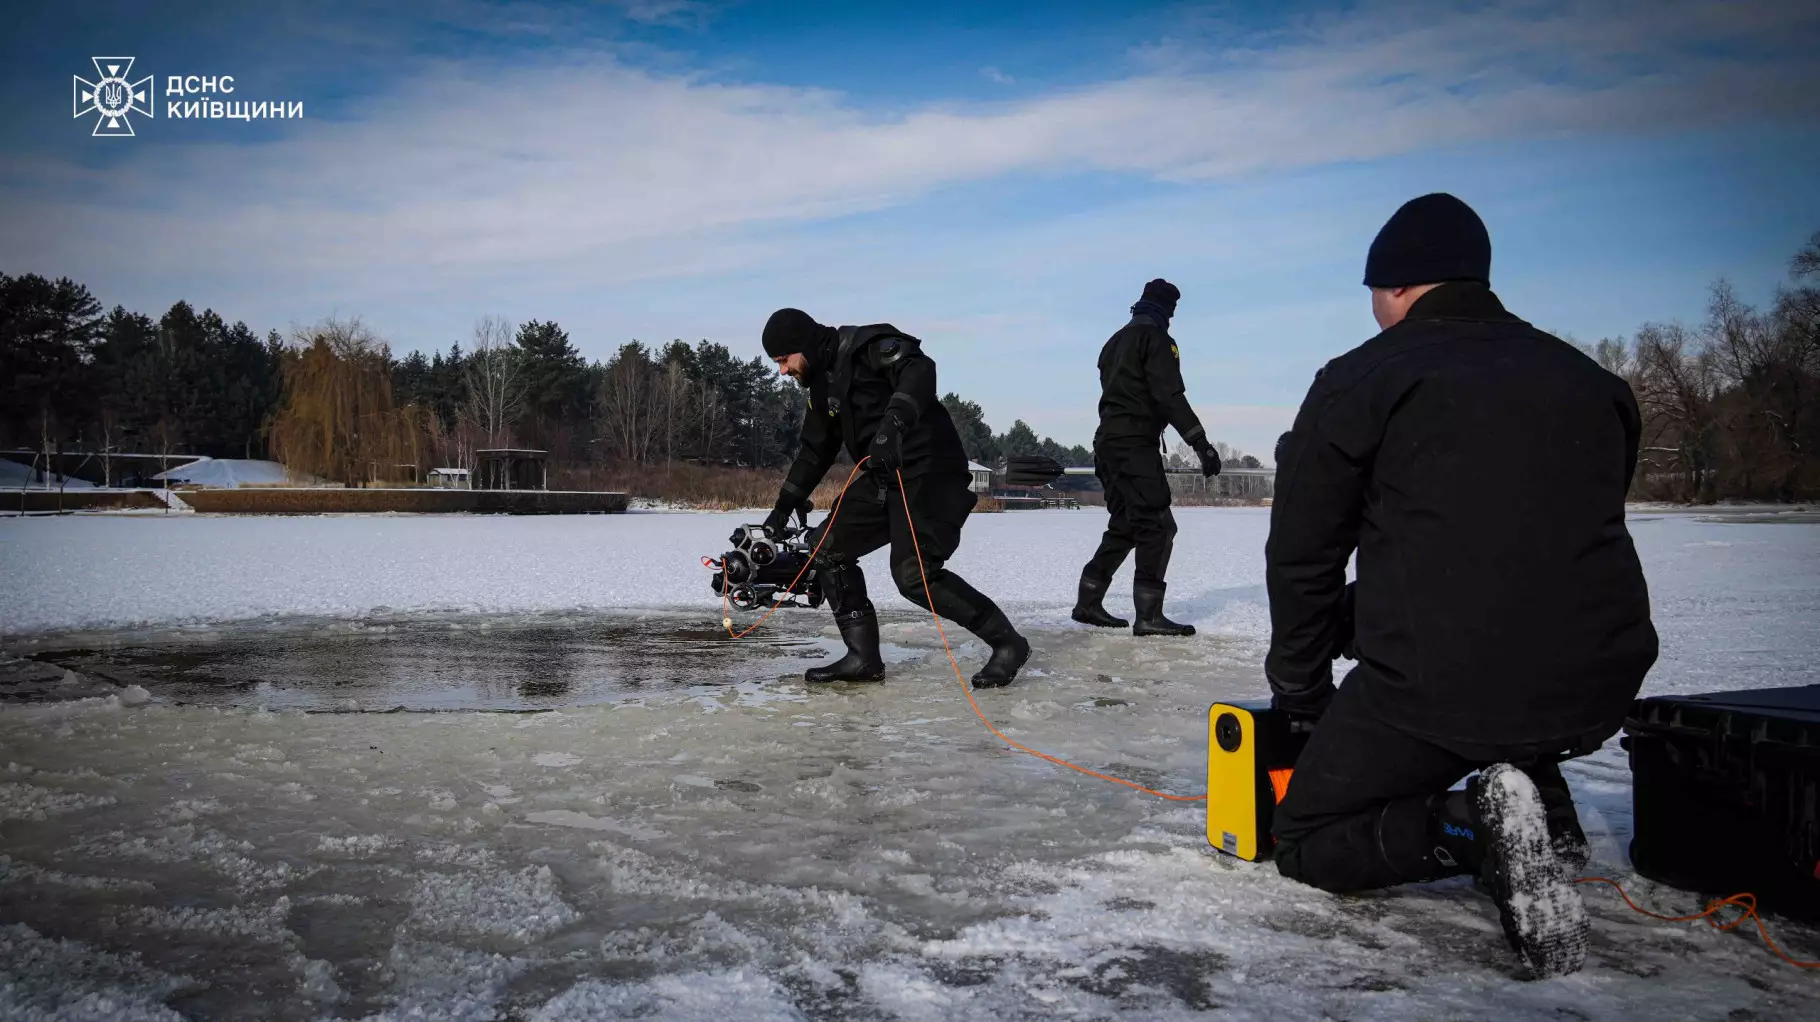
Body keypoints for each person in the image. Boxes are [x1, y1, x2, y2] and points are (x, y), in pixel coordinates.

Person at [1263, 193, 1658, 978]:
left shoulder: (1363, 378)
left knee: (1303, 839)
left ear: (1399, 286)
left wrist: (1303, 697)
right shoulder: (1592, 380)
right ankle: (1539, 787)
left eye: (1373, 292)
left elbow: (1303, 557)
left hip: (1444, 685)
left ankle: (1473, 824)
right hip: (1595, 681)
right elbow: (1542, 545)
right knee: (1483, 616)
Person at [759, 308, 1032, 689]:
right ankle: (863, 658)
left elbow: (921, 370)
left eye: (783, 360)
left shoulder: (866, 346)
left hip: (930, 470)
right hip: (883, 477)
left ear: (802, 345)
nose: (783, 371)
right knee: (826, 548)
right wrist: (782, 507)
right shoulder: (822, 387)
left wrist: (894, 424)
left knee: (914, 574)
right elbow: (813, 451)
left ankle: (1008, 644)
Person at [1071, 279, 1222, 636]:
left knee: (1126, 523)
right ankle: (1149, 616)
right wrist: (1201, 442)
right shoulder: (1157, 340)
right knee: (1157, 526)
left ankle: (1087, 602)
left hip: (1107, 442)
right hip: (1134, 445)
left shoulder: (1114, 341)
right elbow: (1168, 396)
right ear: (1167, 310)